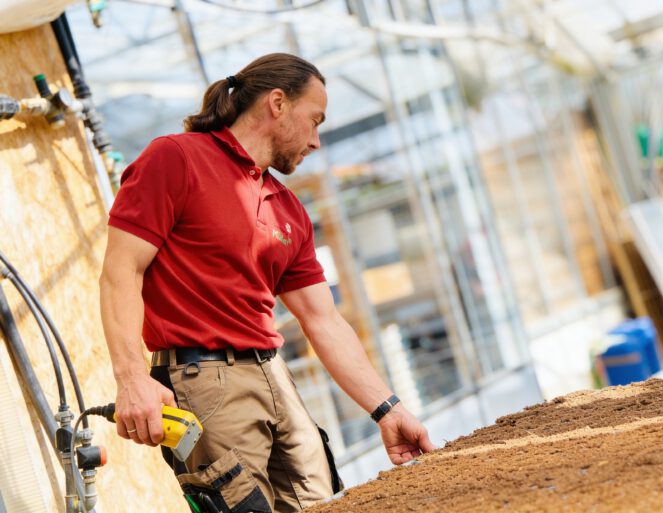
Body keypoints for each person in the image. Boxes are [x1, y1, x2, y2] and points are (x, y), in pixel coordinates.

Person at [99, 53, 435, 513]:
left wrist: (388, 408)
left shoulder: (288, 208)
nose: (317, 141)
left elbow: (323, 319)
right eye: (314, 120)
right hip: (203, 382)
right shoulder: (175, 158)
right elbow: (121, 271)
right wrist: (132, 377)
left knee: (326, 503)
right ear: (277, 102)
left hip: (275, 375)